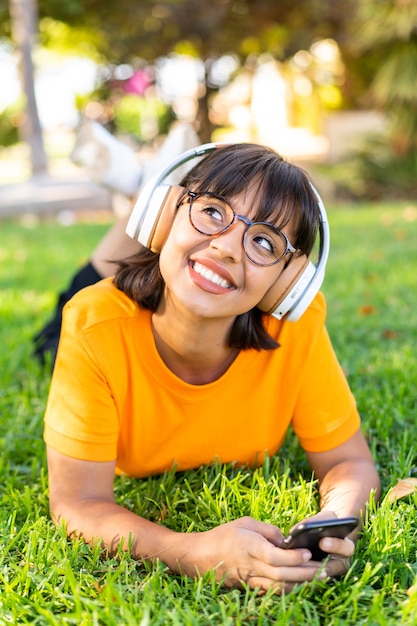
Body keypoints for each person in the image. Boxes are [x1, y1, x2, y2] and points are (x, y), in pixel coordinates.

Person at [43, 143, 380, 593]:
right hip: (107, 307)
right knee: (57, 326)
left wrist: (337, 517)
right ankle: (135, 193)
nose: (225, 248)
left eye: (263, 241)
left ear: (287, 282)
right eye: (213, 212)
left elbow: (349, 461)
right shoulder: (93, 326)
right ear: (166, 214)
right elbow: (77, 503)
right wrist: (191, 551)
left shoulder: (295, 328)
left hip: (177, 267)